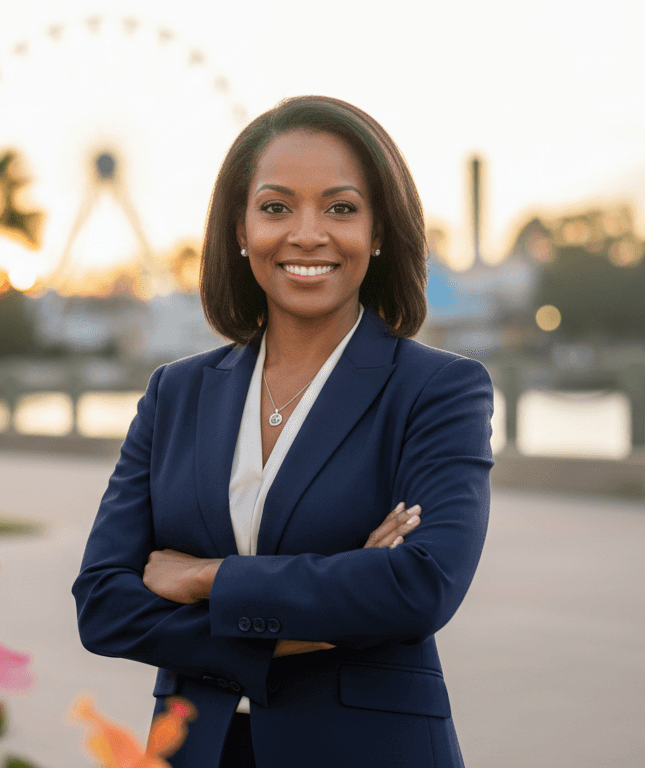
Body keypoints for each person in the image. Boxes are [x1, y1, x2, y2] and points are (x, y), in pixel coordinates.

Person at [72, 95, 493, 768]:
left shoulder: (438, 390)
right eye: (275, 208)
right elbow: (103, 603)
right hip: (194, 750)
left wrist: (207, 578)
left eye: (341, 208)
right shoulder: (175, 394)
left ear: (378, 231)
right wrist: (313, 622)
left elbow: (419, 587)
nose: (307, 234)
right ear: (240, 230)